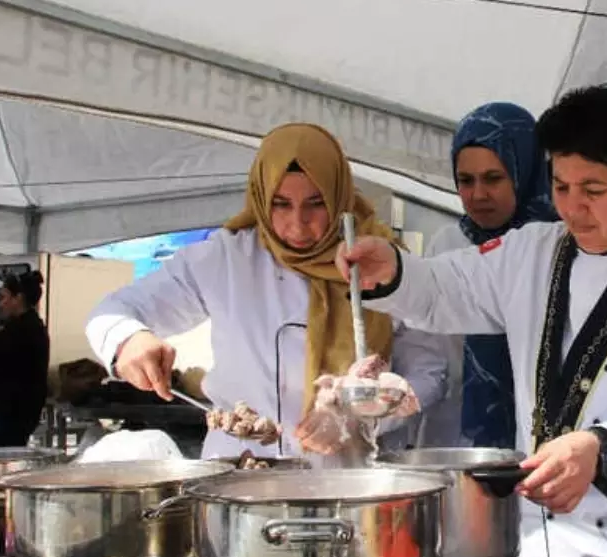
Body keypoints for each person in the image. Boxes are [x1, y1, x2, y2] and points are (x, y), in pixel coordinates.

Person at [340, 84, 607, 557]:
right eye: (561, 186)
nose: (572, 207)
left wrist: (602, 445)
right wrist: (395, 271)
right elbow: (446, 287)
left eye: (593, 190)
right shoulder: (531, 251)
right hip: (540, 543)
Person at [86, 123, 445, 460]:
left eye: (316, 203)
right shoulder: (225, 259)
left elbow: (429, 372)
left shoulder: (380, 262)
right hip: (240, 471)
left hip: (350, 476)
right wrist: (128, 340)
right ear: (260, 196)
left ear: (339, 195)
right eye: (281, 204)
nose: (298, 222)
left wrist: (359, 415)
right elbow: (116, 310)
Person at [425, 102, 558, 448]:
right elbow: (429, 351)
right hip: (458, 438)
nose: (478, 194)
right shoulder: (449, 244)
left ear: (524, 171)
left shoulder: (558, 242)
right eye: (466, 180)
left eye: (494, 178)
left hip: (546, 439)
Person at [0, 270, 51, 447]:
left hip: (12, 410)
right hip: (16, 409)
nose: (0, 303)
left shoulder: (21, 332)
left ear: (18, 298)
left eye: (4, 297)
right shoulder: (26, 327)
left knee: (6, 457)